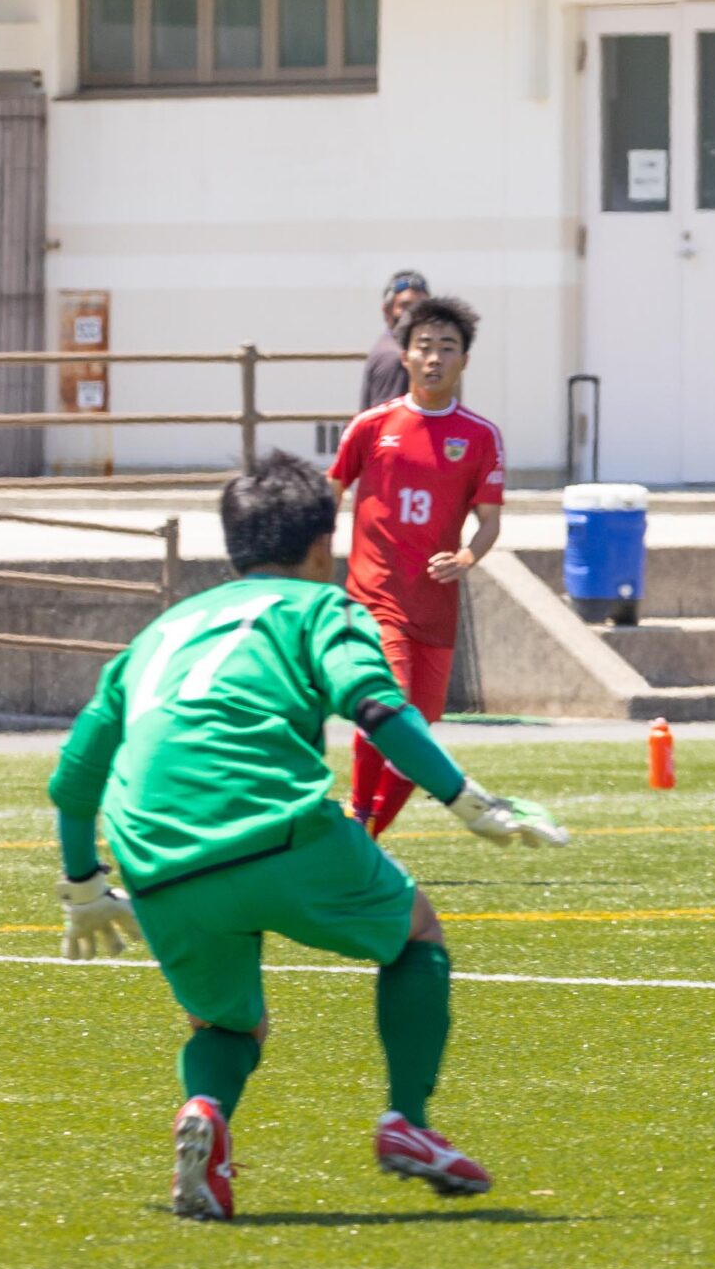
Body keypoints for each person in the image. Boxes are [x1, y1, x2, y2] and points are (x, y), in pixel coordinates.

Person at [45, 453, 567, 1220]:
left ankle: (205, 1114)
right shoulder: (323, 608)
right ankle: (408, 1124)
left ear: (232, 545)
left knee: (227, 1022)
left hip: (151, 853)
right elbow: (377, 709)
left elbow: (76, 773)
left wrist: (84, 886)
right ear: (325, 545)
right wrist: (470, 802)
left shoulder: (161, 631)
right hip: (271, 825)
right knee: (416, 931)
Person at [328, 297, 506, 837]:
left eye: (446, 348)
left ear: (464, 361)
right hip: (376, 599)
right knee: (390, 710)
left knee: (419, 737)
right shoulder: (371, 427)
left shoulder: (480, 436)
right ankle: (359, 818)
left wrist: (468, 557)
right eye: (423, 347)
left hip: (436, 606)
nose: (434, 358)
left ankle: (364, 840)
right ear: (404, 356)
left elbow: (490, 522)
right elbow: (327, 497)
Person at [356, 269, 428, 415]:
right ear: (387, 311)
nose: (414, 314)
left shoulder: (407, 350)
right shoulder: (394, 357)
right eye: (405, 306)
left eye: (422, 306)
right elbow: (385, 422)